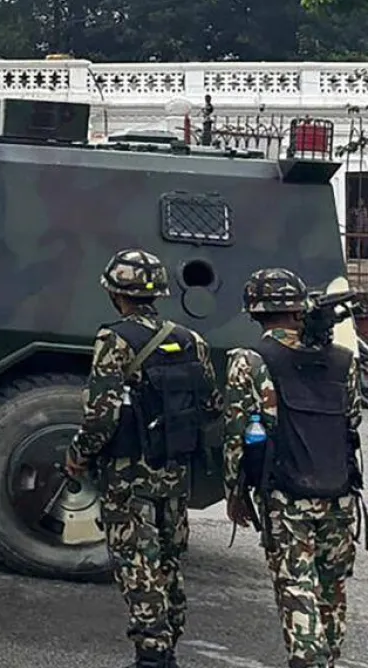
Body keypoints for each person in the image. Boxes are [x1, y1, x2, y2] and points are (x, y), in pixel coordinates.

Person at [63, 248, 221, 668]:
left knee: (137, 560)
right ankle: (169, 640)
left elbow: (101, 413)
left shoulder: (114, 339)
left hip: (128, 471)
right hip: (174, 468)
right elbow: (211, 403)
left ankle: (152, 654)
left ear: (116, 294)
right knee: (169, 558)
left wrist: (79, 453)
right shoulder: (191, 339)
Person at [224, 268, 363, 668]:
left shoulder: (249, 361)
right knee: (332, 586)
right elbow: (351, 419)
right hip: (339, 492)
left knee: (296, 584)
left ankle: (309, 662)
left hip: (286, 496)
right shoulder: (343, 360)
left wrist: (237, 495)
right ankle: (328, 659)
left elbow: (237, 435)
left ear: (254, 310)